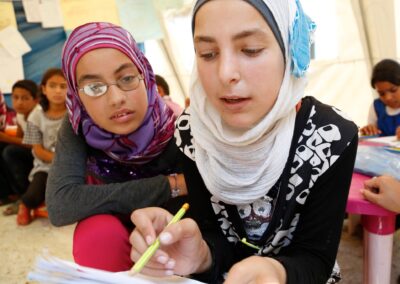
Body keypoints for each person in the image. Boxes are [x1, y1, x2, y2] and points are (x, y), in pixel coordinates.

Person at [129, 1, 359, 283]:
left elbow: (316, 257)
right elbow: (212, 233)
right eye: (208, 53)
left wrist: (276, 271)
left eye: (250, 50)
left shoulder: (331, 136)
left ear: (289, 51)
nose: (226, 73)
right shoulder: (193, 131)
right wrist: (201, 254)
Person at [46, 22, 187, 272]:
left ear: (145, 73)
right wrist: (171, 185)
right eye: (94, 87)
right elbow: (61, 205)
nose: (116, 98)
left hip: (176, 231)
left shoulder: (179, 124)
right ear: (77, 95)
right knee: (97, 235)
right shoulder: (79, 124)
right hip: (117, 230)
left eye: (127, 78)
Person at [16, 68, 67, 225]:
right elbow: (37, 150)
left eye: (63, 86)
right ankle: (26, 206)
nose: (58, 91)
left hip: (73, 166)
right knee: (32, 196)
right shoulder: (35, 116)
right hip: (46, 166)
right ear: (44, 89)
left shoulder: (75, 113)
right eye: (52, 86)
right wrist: (59, 162)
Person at [1, 80, 38, 209]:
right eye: (15, 98)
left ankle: (25, 194)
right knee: (3, 148)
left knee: (10, 151)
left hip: (41, 155)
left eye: (25, 98)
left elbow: (35, 145)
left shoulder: (37, 114)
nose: (19, 102)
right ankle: (9, 193)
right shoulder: (20, 114)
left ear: (36, 100)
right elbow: (19, 137)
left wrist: (5, 138)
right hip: (30, 149)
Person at [360, 59, 400, 137]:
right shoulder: (376, 107)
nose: (388, 98)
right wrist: (369, 130)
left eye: (393, 90)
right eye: (381, 93)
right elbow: (372, 134)